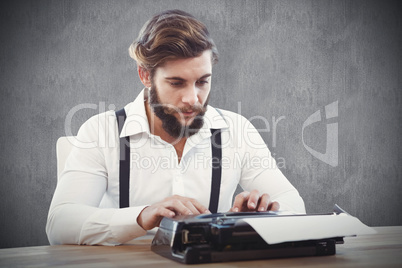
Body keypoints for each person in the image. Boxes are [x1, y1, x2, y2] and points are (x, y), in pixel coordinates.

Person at [46, 9, 305, 246]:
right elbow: (60, 224)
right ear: (145, 76)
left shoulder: (237, 130)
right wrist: (142, 215)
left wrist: (264, 215)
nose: (192, 98)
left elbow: (294, 204)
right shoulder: (100, 132)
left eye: (202, 82)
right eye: (177, 83)